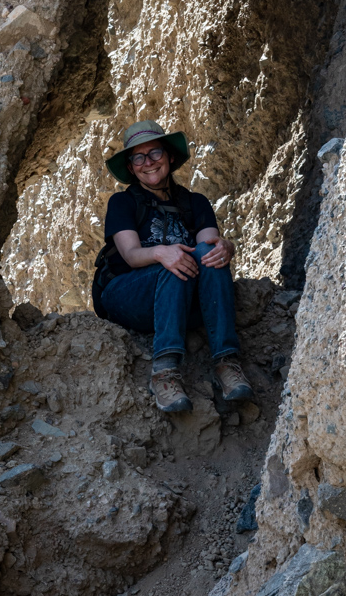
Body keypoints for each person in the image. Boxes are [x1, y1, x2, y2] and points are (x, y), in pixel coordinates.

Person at [98, 119, 253, 413]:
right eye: (138, 158)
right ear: (131, 168)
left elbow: (208, 246)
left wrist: (225, 247)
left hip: (182, 297)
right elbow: (131, 255)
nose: (148, 163)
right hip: (129, 296)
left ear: (169, 156)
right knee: (174, 262)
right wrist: (160, 253)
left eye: (155, 153)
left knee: (208, 253)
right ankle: (165, 373)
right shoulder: (122, 203)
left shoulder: (195, 203)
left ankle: (227, 363)